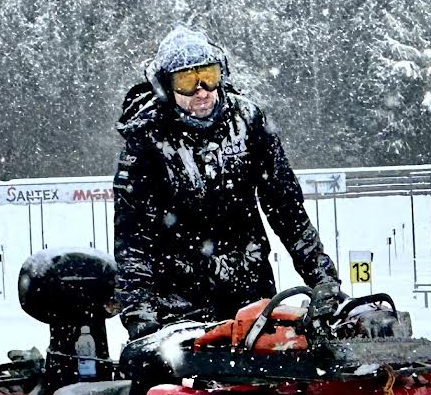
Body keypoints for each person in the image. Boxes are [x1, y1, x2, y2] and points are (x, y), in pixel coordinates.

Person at [112, 25, 342, 370]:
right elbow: (133, 240)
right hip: (177, 309)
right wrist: (141, 319)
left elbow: (287, 211)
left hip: (251, 299)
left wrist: (323, 279)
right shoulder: (146, 140)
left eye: (209, 76)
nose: (202, 91)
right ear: (165, 86)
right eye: (187, 81)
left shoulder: (248, 122)